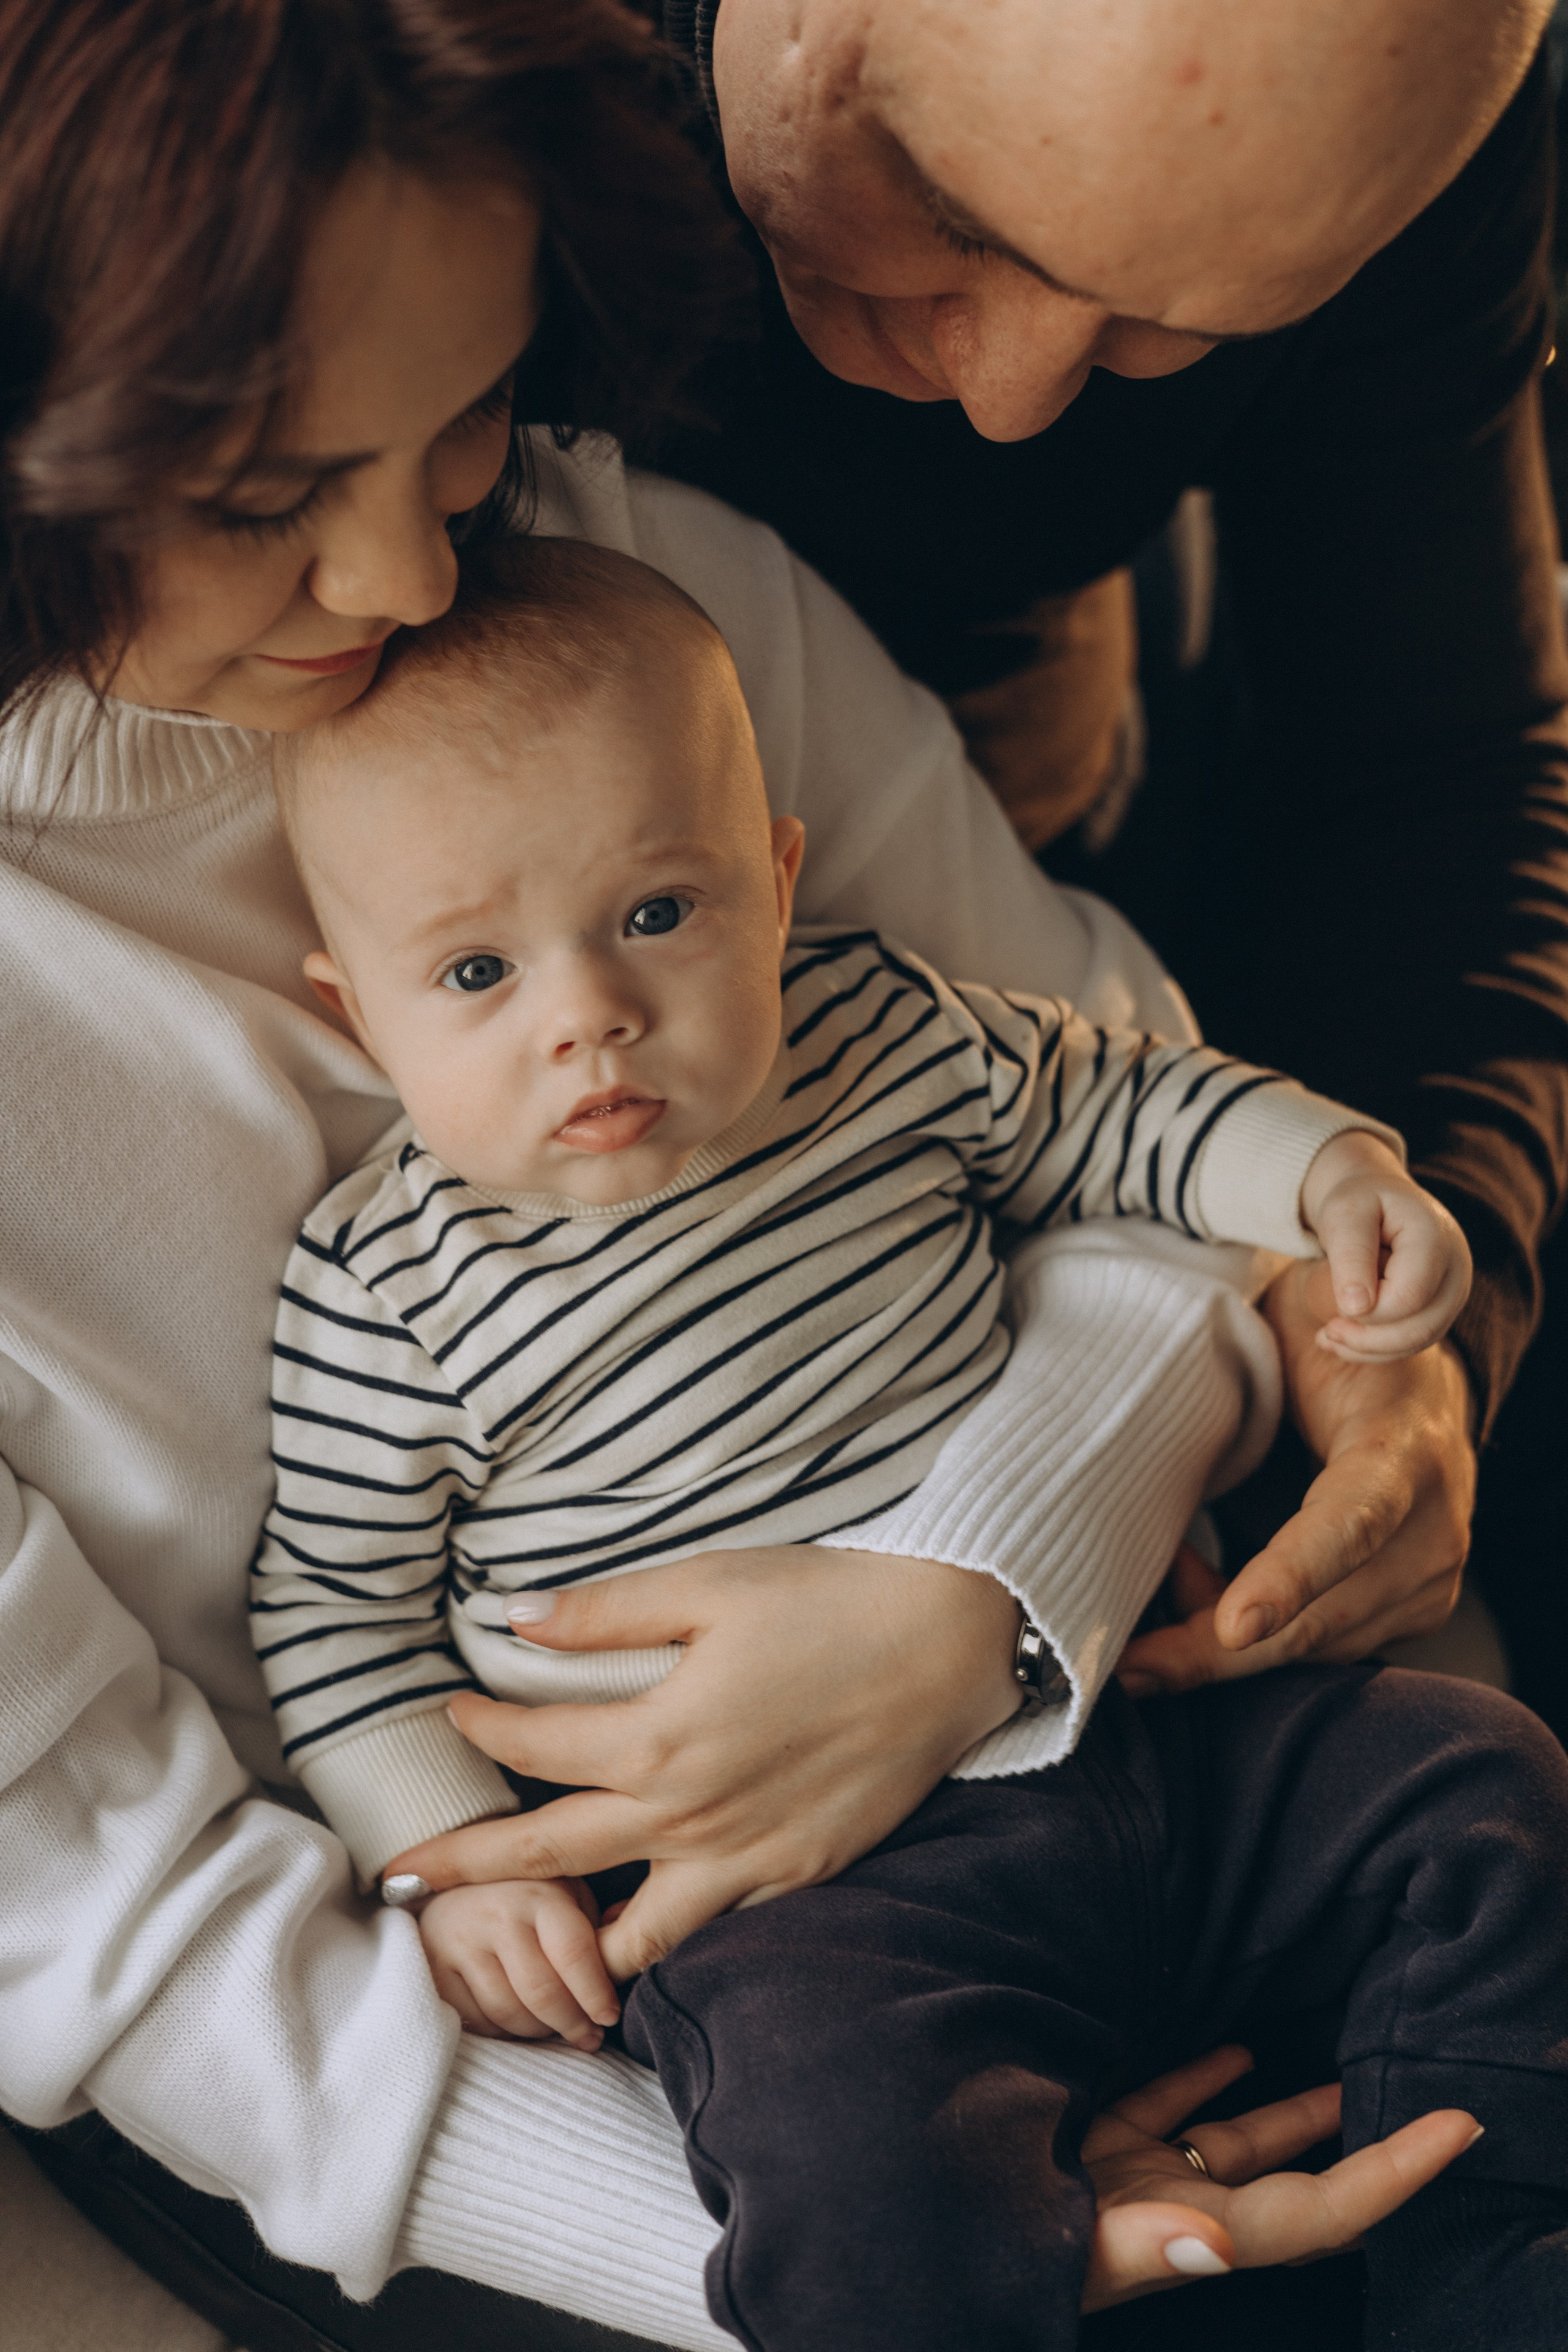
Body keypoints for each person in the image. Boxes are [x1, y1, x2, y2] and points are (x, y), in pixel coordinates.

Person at [0, 5, 1478, 2346]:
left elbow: (1099, 1102)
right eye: (268, 491)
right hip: (534, 2049)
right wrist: (787, 2227)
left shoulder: (607, 571)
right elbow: (119, 1919)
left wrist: (976, 1584)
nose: (407, 575)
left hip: (1105, 1701)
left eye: (467, 409)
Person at [247, 541, 1568, 2352]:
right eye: (474, 972)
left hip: (1137, 1725)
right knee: (839, 2170)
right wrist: (450, 1854)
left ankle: (1498, 2280)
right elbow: (331, 1609)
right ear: (354, 1014)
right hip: (799, 1901)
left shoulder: (881, 1038)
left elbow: (1128, 1109)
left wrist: (1330, 1169)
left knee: (1481, 1786)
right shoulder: (383, 1284)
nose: (587, 1017)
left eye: (656, 914)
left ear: (776, 885)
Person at [647, 0, 1568, 1730]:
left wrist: (1401, 1351)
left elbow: (1425, 766)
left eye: (1168, 328)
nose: (1006, 400)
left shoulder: (1409, 113)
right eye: (945, 207)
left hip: (1035, 924)